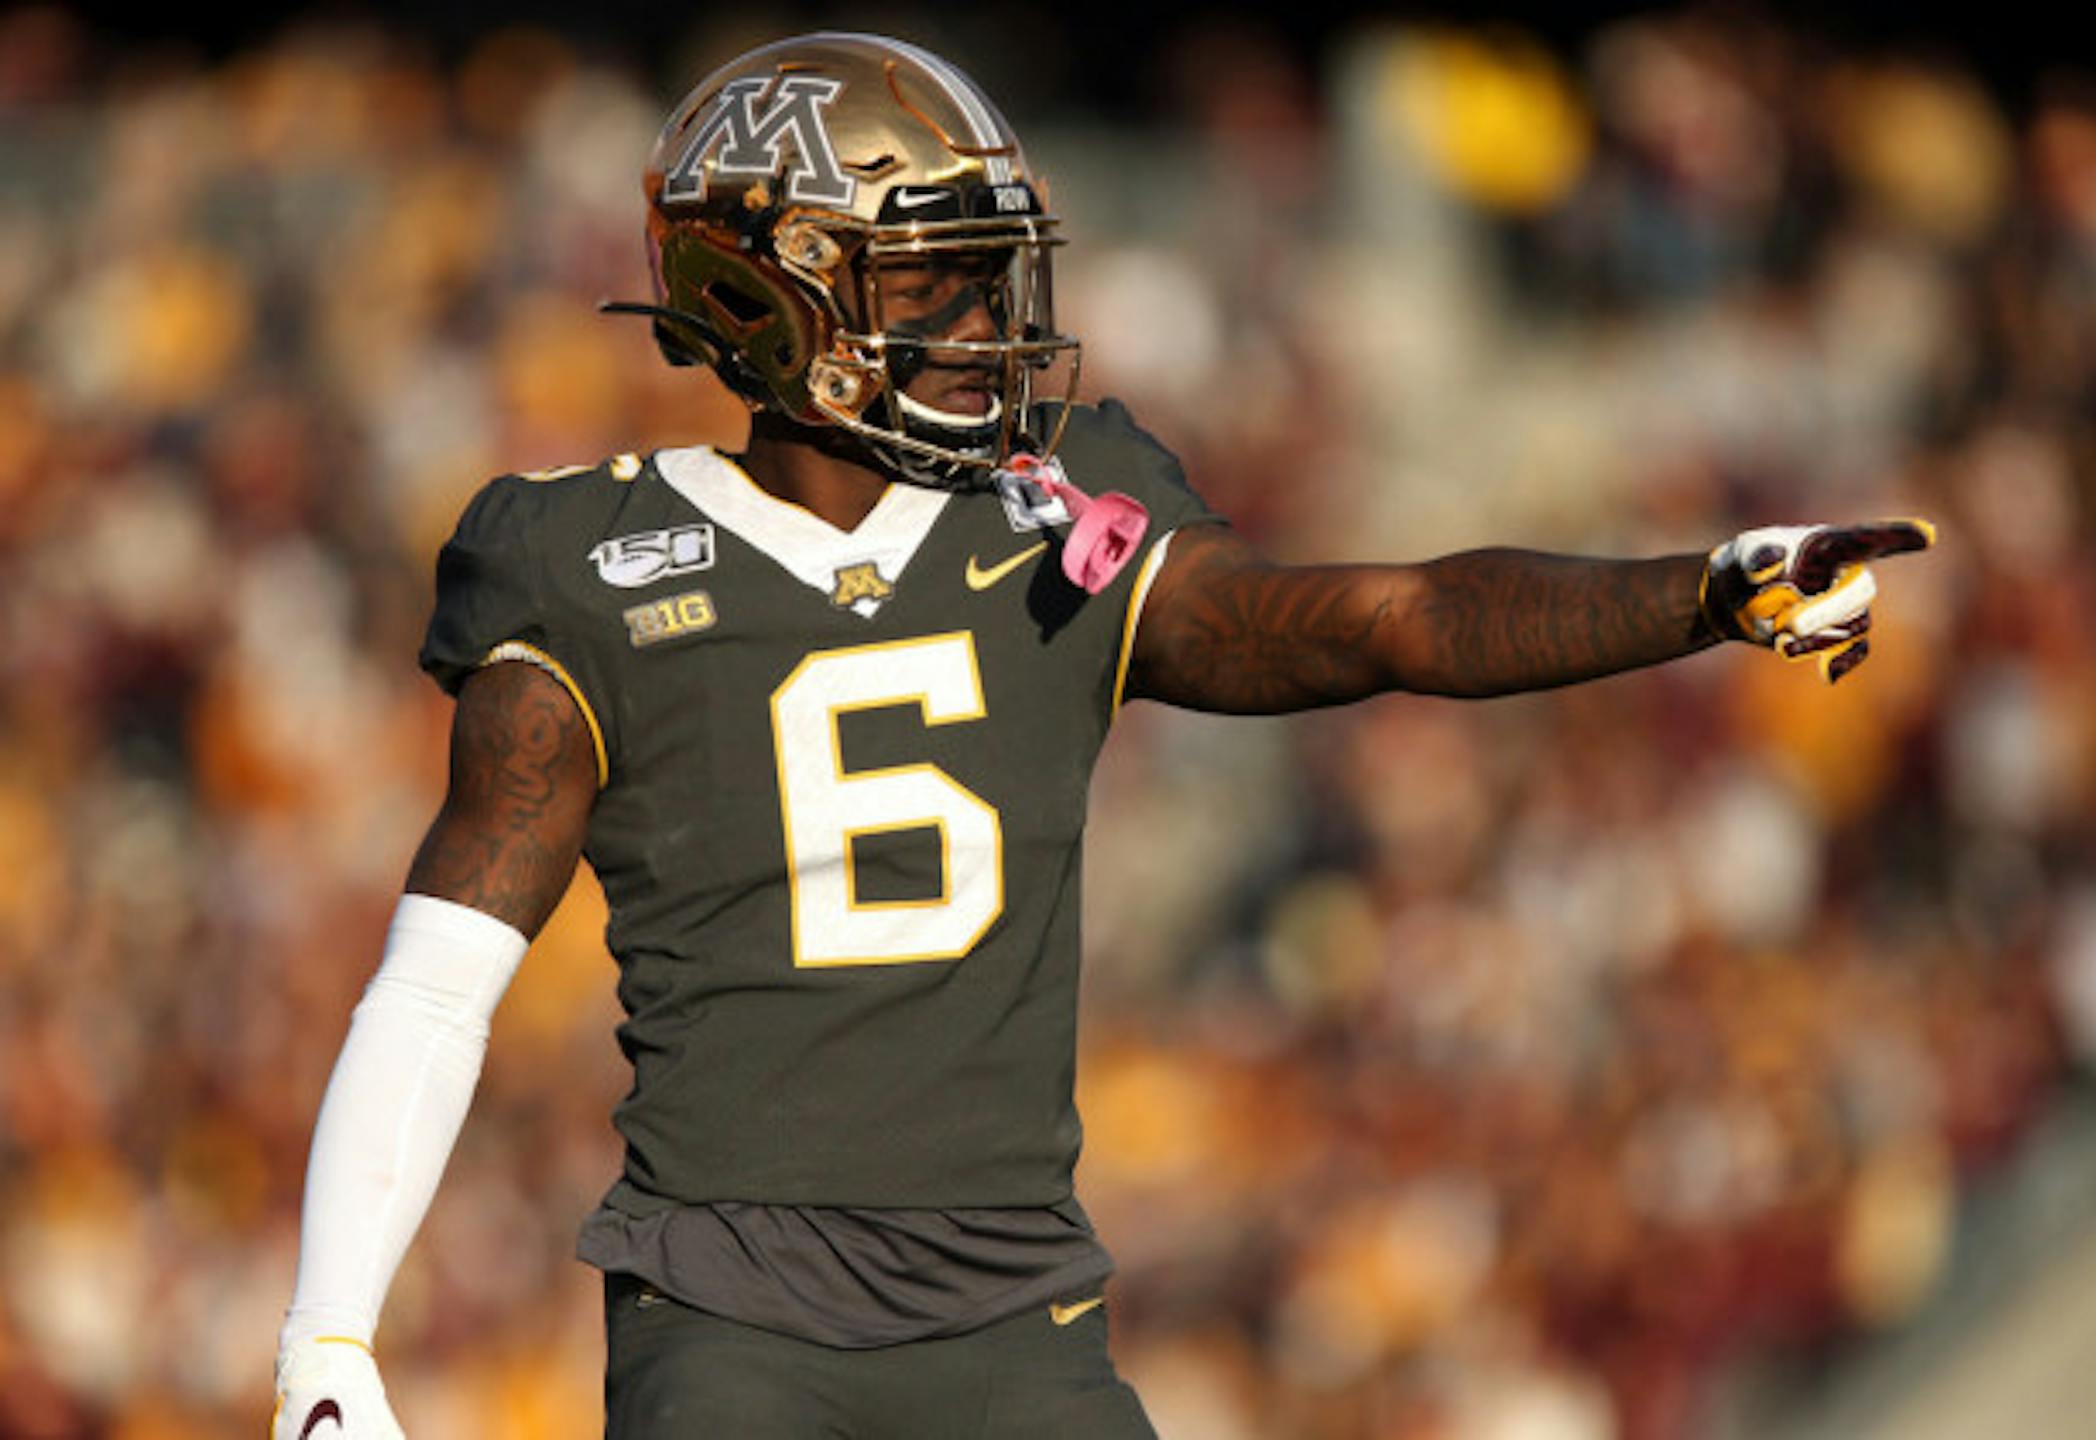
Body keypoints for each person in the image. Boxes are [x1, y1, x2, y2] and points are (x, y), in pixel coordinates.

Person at [270, 30, 1932, 1440]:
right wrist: (329, 1341)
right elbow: (436, 982)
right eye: (931, 279)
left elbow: (1393, 617)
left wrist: (1698, 592)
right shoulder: (588, 562)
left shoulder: (1054, 515)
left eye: (988, 274)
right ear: (767, 299)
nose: (986, 322)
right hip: (735, 1322)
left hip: (1016, 1316)